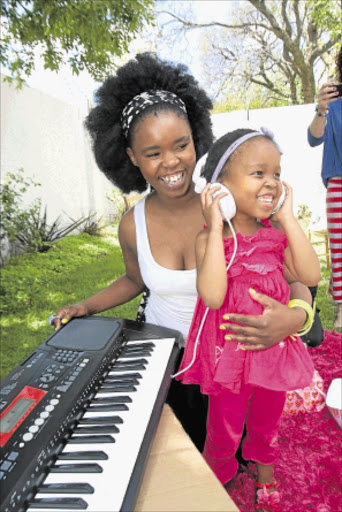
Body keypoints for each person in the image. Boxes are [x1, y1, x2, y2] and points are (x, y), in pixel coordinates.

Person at [52, 52, 315, 452]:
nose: (171, 162)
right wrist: (86, 306)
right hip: (170, 363)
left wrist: (295, 317)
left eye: (181, 145)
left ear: (196, 138)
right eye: (153, 152)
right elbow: (135, 280)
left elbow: (296, 277)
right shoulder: (132, 223)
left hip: (233, 361)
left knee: (238, 450)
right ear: (131, 157)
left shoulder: (239, 208)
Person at [175, 127, 321, 510]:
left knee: (266, 422)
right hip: (230, 360)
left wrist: (288, 219)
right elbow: (213, 294)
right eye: (259, 173)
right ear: (219, 187)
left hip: (272, 355)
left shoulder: (275, 236)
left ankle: (265, 474)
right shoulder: (210, 240)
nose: (271, 182)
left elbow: (309, 276)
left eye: (276, 173)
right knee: (222, 429)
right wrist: (216, 222)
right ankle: (219, 480)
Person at [307, 45, 342, 329]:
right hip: (338, 182)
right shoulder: (334, 102)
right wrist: (321, 109)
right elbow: (314, 139)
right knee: (339, 248)